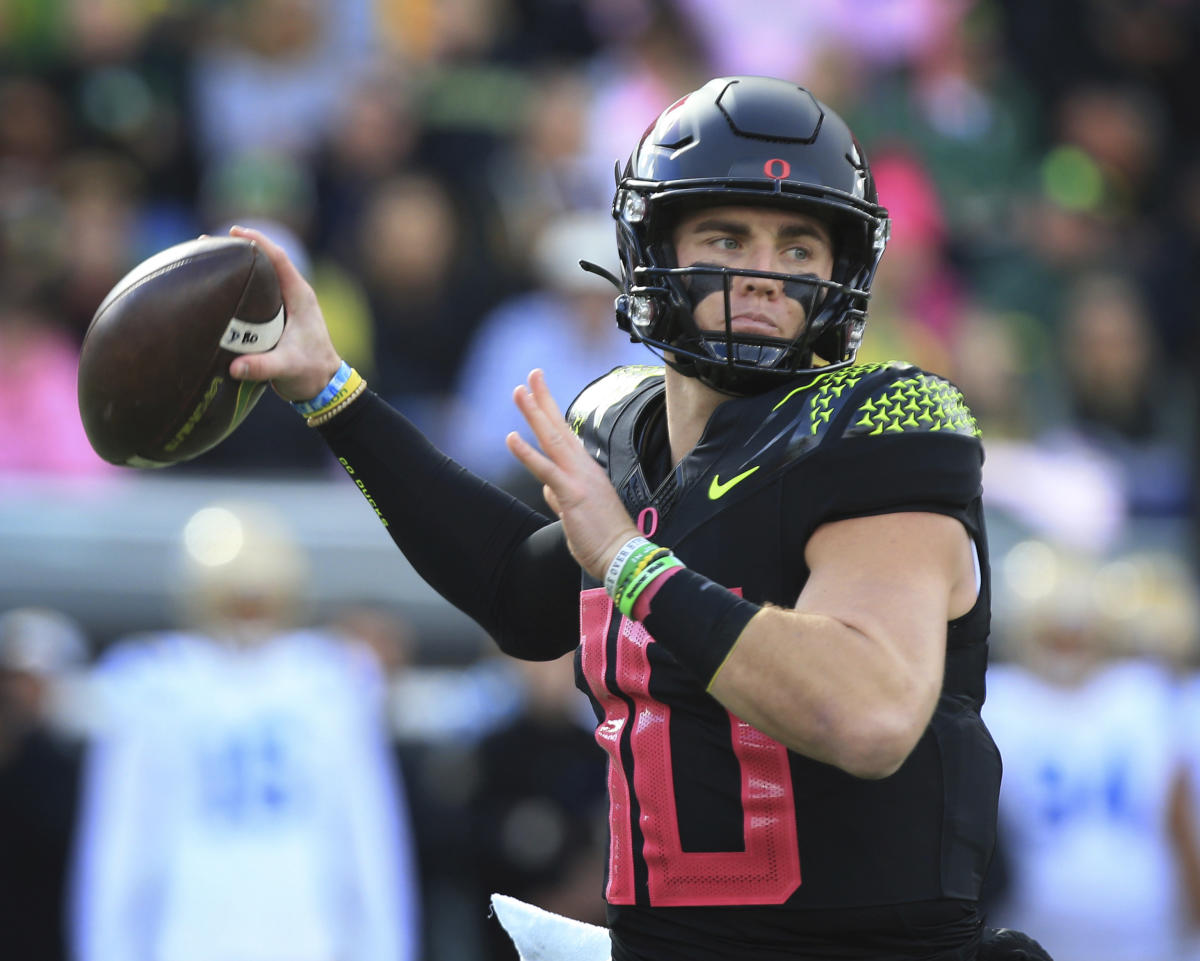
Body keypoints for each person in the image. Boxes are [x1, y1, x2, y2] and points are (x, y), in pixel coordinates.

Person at [227, 76, 1050, 961]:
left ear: (841, 270)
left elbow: (868, 713)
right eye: (727, 236)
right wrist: (327, 389)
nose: (763, 275)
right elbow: (519, 594)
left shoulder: (883, 419)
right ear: (653, 247)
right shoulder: (620, 424)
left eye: (799, 247)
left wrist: (627, 556)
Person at [70, 501, 420, 961]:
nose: (248, 613)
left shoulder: (330, 680)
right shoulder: (154, 684)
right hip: (193, 935)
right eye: (237, 598)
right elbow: (120, 846)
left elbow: (368, 840)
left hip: (304, 937)